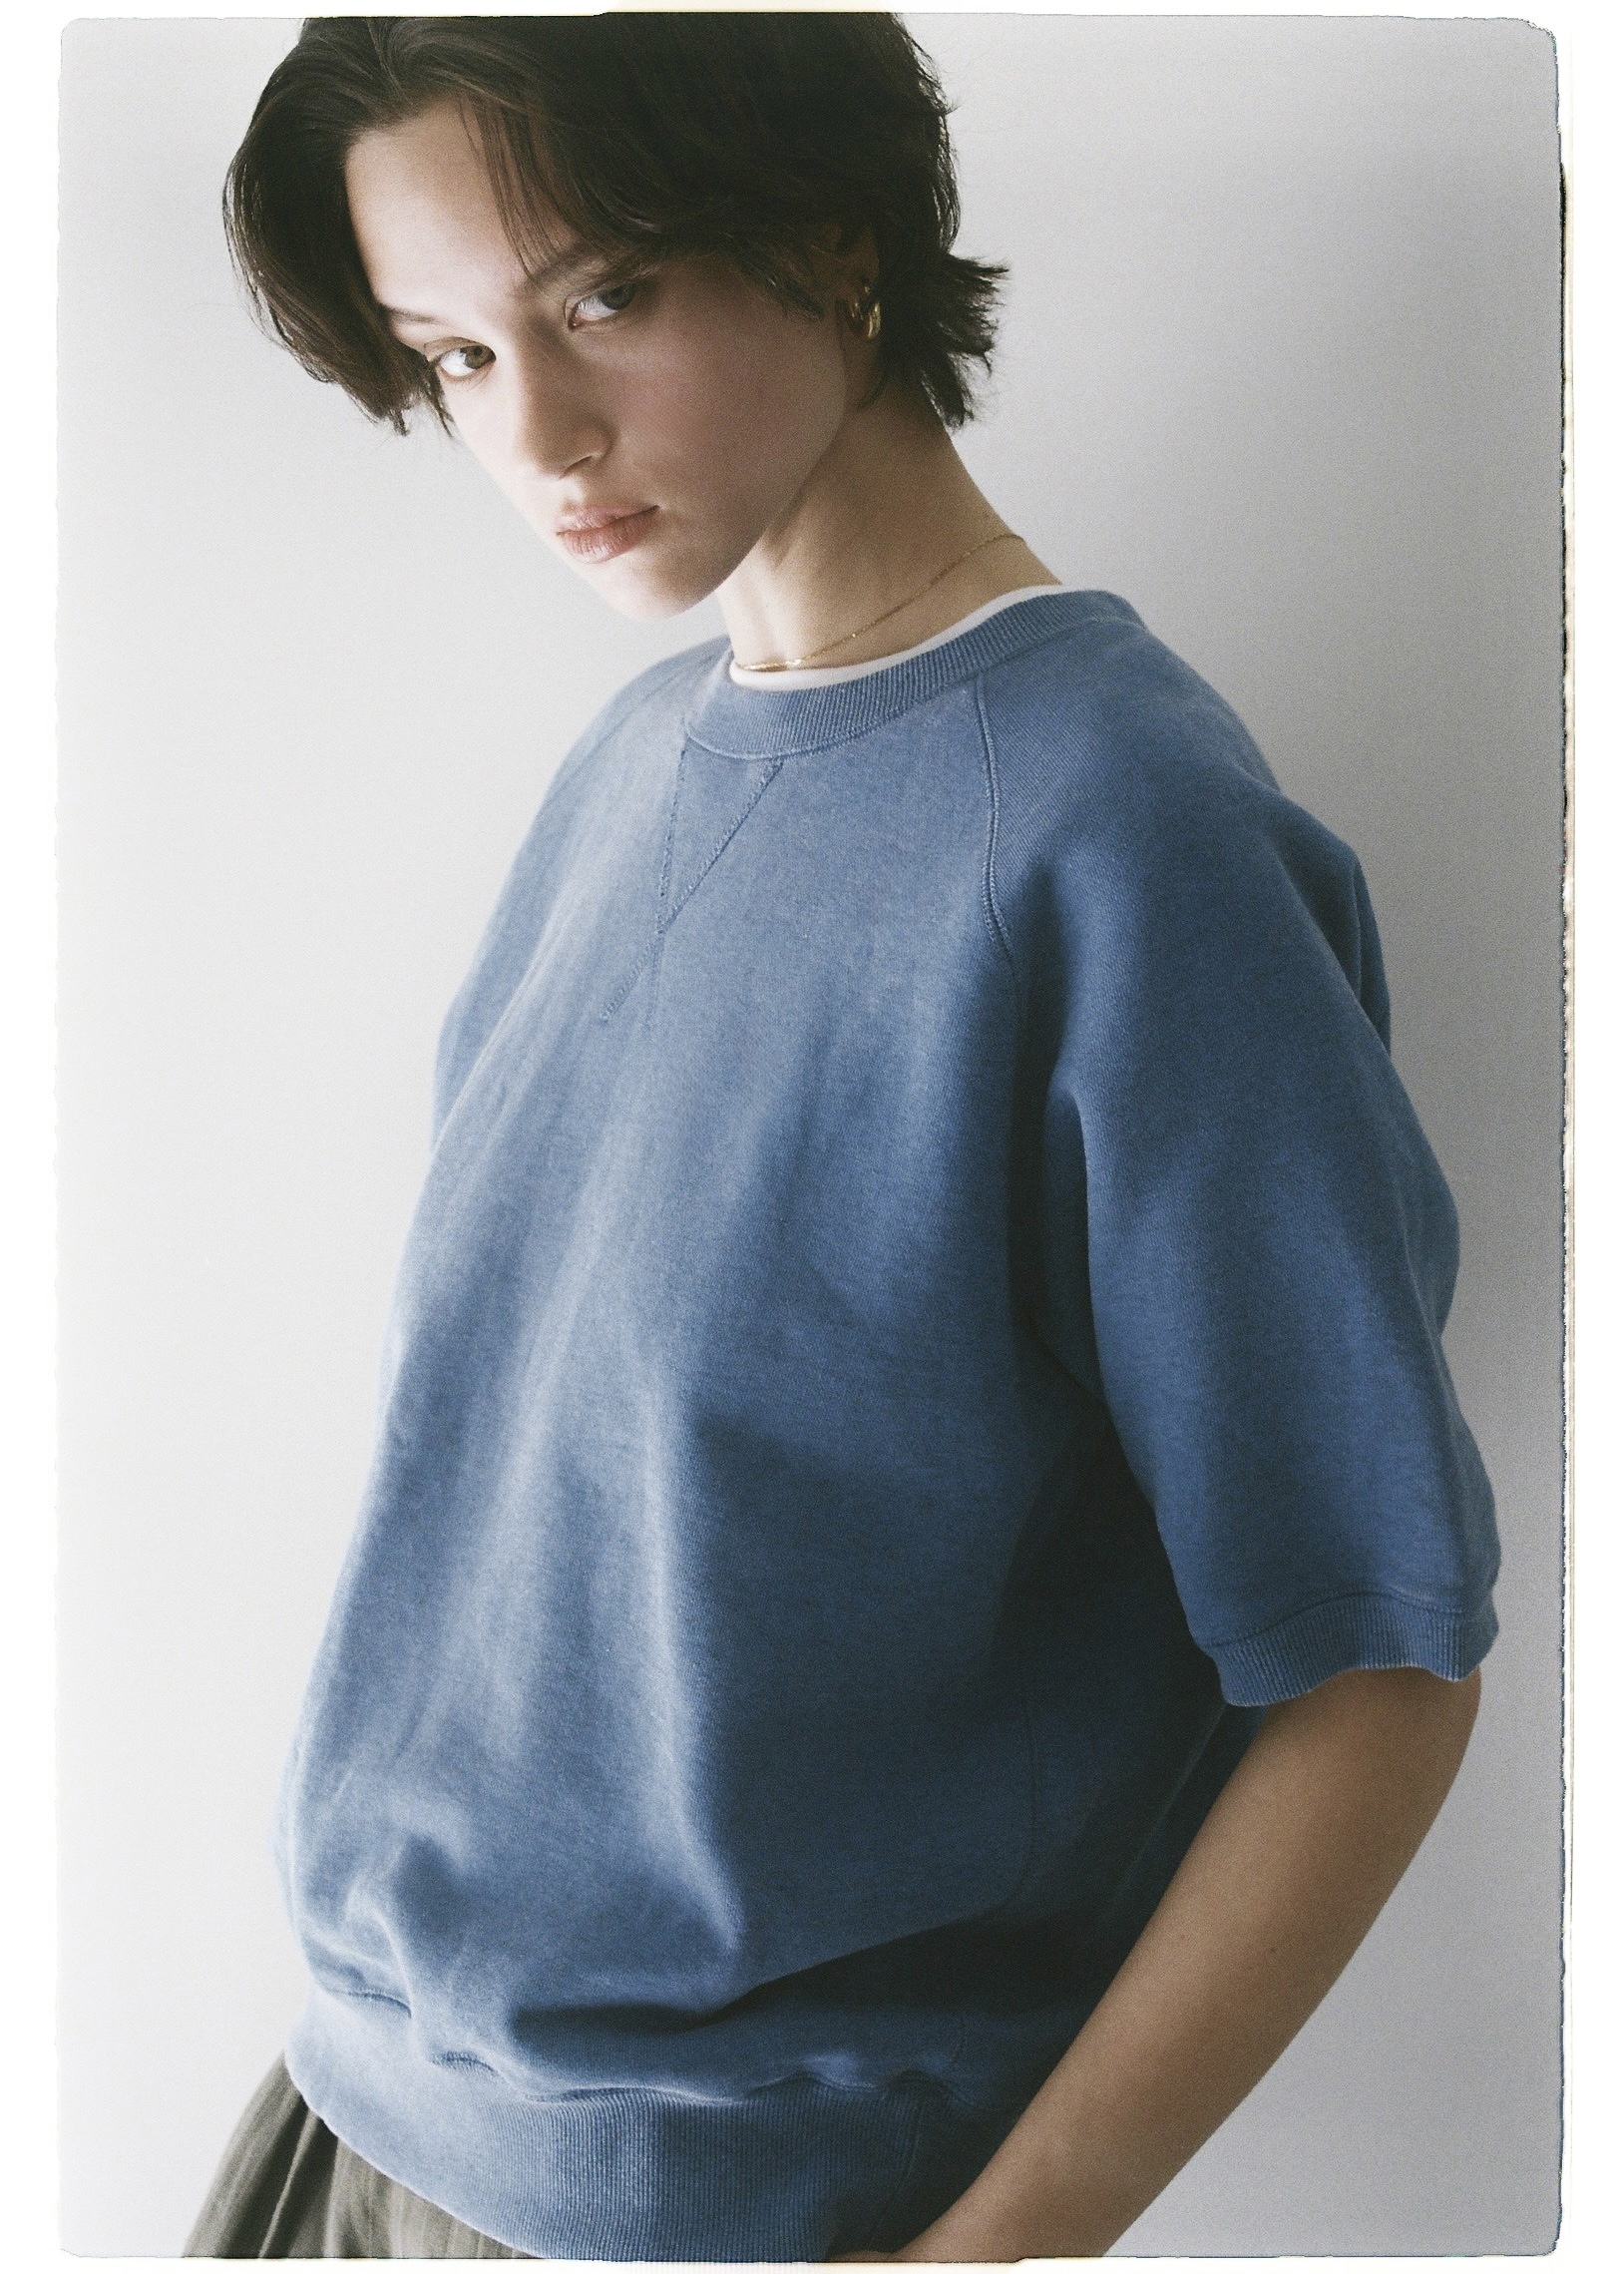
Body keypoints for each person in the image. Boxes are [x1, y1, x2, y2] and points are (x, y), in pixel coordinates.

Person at [187, 12, 1499, 2262]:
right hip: (347, 2128)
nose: (539, 434)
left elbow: (1376, 1658)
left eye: (604, 294)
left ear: (832, 236)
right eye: (457, 356)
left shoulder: (1120, 836)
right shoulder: (628, 771)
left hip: (719, 2201)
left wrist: (1011, 2239)